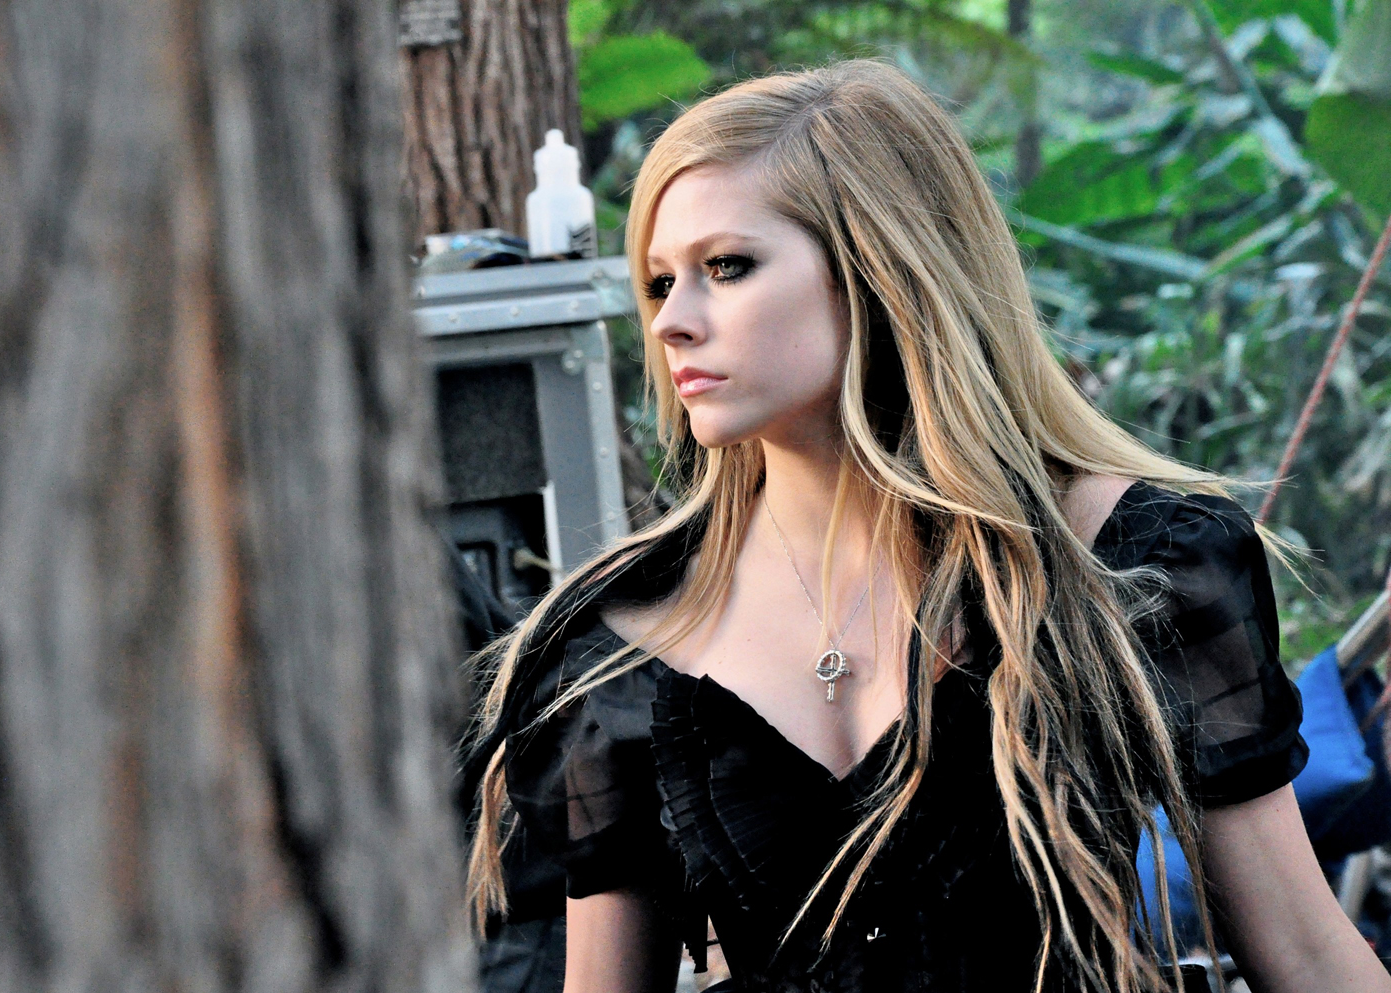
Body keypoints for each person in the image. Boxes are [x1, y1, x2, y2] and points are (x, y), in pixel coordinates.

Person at [462, 60, 1391, 993]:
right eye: (661, 283)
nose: (672, 322)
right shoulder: (622, 643)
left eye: (727, 267)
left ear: (881, 270)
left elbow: (1306, 952)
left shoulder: (1135, 560)